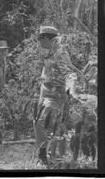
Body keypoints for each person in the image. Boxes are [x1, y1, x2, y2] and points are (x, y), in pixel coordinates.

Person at [33, 25, 78, 165]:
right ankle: (45, 154)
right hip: (45, 91)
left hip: (55, 96)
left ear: (48, 38)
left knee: (43, 123)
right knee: (39, 123)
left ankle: (47, 156)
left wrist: (71, 88)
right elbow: (49, 70)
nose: (40, 42)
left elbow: (69, 74)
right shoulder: (50, 51)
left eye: (41, 39)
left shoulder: (60, 53)